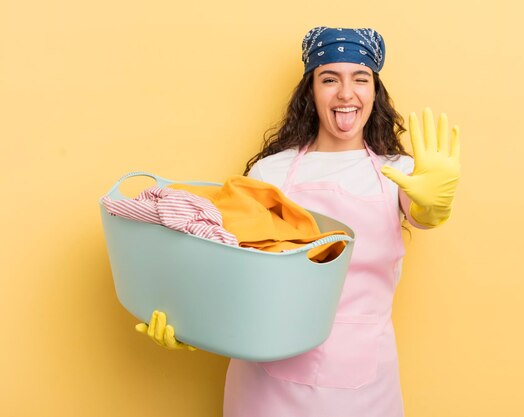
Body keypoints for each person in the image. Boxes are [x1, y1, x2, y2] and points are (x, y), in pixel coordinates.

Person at [137, 26, 460, 417]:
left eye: (361, 78)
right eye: (329, 79)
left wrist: (433, 206)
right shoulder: (270, 172)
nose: (345, 93)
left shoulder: (401, 173)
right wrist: (191, 323)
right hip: (266, 383)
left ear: (375, 91)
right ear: (311, 91)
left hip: (362, 384)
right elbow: (233, 271)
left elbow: (423, 215)